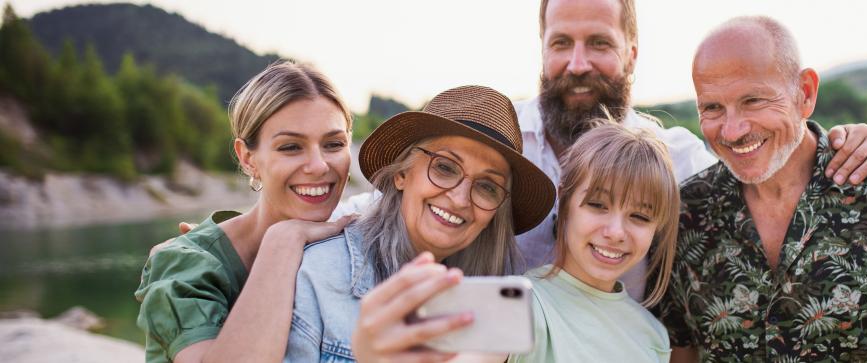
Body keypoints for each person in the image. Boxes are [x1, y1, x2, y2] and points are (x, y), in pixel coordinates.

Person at [336, 0, 867, 300]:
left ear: (632, 54)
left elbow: (762, 159)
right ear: (542, 52)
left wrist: (837, 138)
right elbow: (401, 200)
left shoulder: (676, 158)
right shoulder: (500, 146)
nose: (578, 63)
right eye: (562, 43)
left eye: (599, 44)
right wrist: (287, 229)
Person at [655, 16, 867, 362]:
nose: (733, 130)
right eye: (712, 108)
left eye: (753, 100)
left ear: (806, 93)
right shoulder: (685, 215)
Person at [284, 85, 557, 362]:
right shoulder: (320, 274)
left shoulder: (486, 307)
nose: (461, 199)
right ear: (402, 173)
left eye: (487, 187)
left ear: (494, 214)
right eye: (445, 167)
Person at [134, 61, 358, 363]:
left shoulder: (348, 244)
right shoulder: (187, 266)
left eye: (334, 144)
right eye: (291, 147)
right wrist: (281, 242)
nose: (318, 165)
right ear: (248, 158)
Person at [508, 123, 681, 363]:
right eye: (598, 205)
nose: (616, 232)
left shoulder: (654, 335)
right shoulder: (519, 304)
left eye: (640, 216)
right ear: (564, 200)